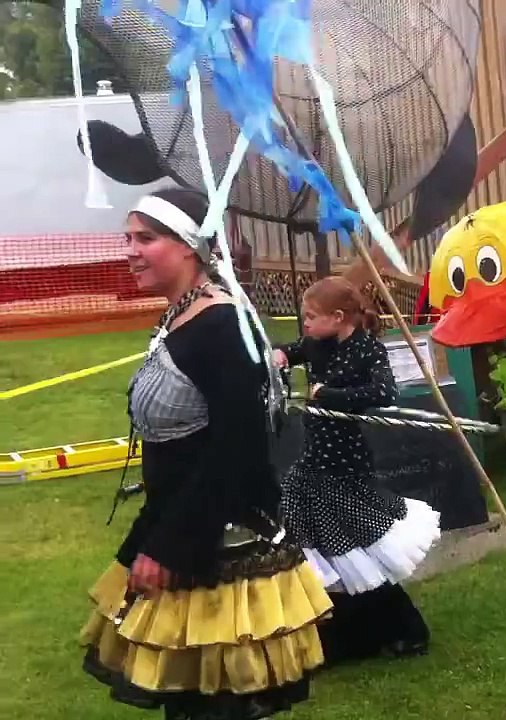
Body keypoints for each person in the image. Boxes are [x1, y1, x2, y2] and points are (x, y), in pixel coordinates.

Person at [80, 188, 331, 719]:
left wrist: (169, 546)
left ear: (190, 246)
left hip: (219, 542)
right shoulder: (183, 317)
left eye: (146, 238)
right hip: (182, 529)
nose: (130, 250)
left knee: (219, 704)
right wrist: (148, 539)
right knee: (193, 703)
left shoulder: (221, 326)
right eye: (128, 237)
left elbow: (235, 452)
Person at [272, 276, 441, 662]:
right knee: (315, 545)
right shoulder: (317, 343)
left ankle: (406, 629)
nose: (306, 325)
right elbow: (292, 351)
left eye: (312, 317)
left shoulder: (367, 350)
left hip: (344, 465)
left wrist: (328, 395)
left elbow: (383, 394)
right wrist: (279, 356)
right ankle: (346, 630)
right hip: (314, 460)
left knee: (354, 547)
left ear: (338, 317)